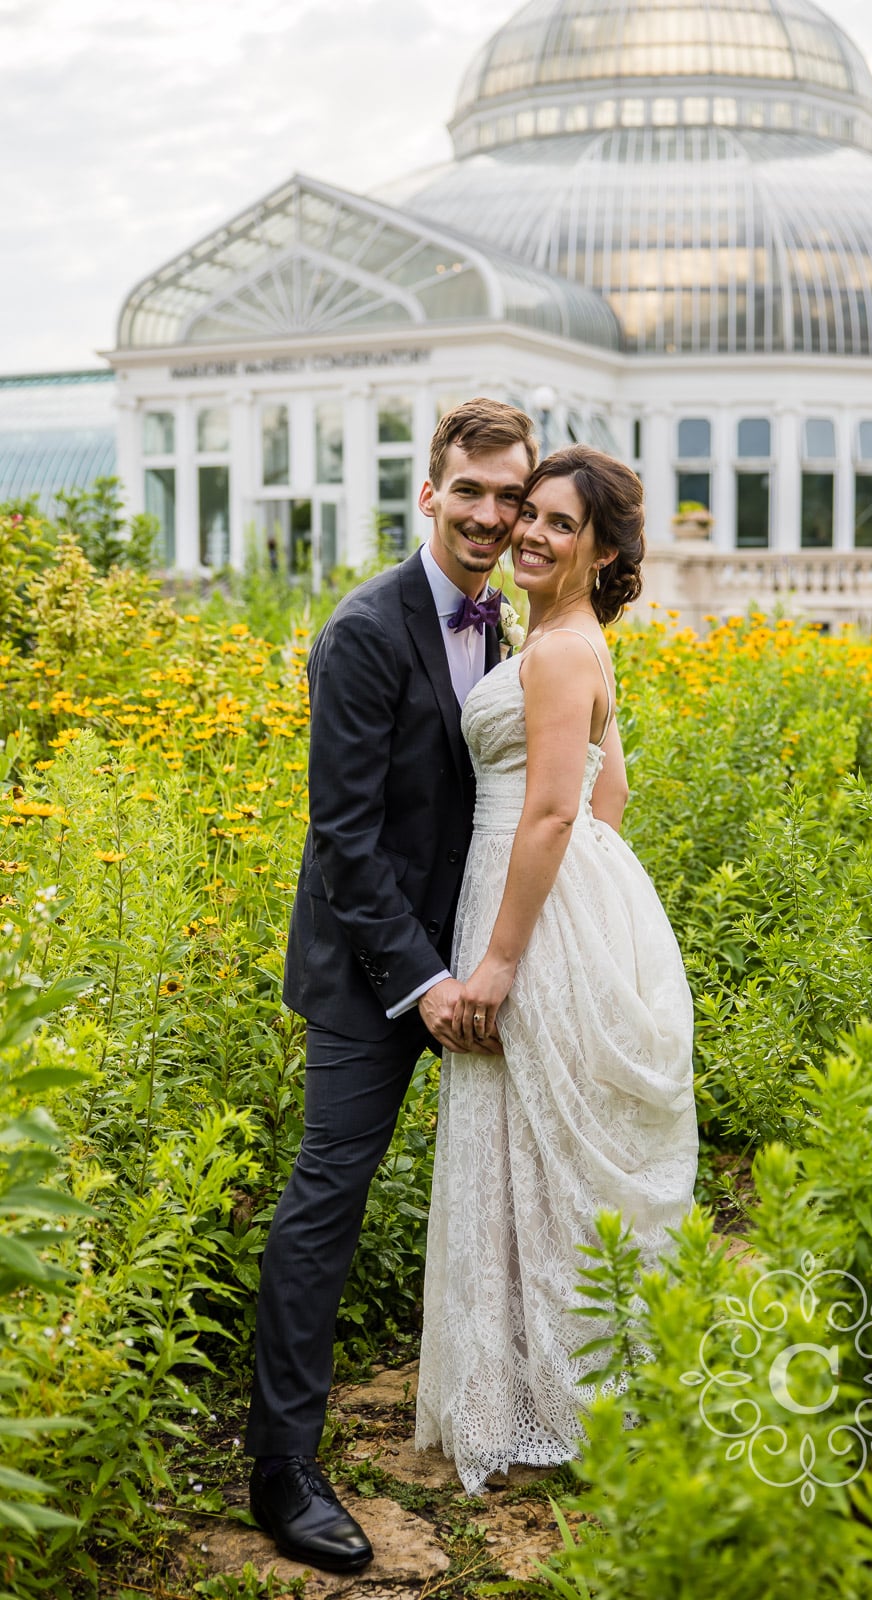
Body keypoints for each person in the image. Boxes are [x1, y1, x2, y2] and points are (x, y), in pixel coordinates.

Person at [245, 398, 539, 1574]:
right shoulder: (365, 629)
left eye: (506, 497)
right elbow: (344, 841)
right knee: (326, 1203)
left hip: (472, 960)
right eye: (466, 491)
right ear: (429, 493)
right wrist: (420, 981)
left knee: (513, 1182)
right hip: (377, 970)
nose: (485, 515)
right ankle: (281, 1470)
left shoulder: (501, 626)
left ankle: (519, 1409)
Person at [414, 445, 698, 1495]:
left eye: (557, 523)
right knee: (536, 1145)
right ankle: (552, 1390)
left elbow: (546, 807)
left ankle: (558, 1403)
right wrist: (585, 902)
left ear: (603, 547)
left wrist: (501, 953)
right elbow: (605, 796)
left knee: (536, 1146)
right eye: (525, 512)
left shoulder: (563, 648)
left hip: (523, 904)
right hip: (557, 897)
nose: (526, 531)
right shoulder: (565, 636)